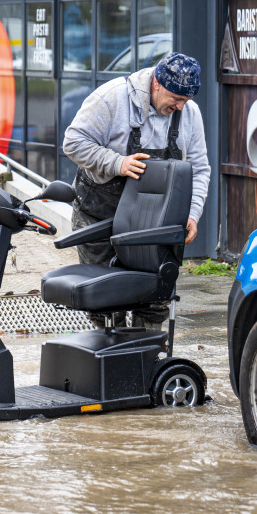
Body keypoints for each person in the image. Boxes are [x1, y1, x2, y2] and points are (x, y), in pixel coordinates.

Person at [63, 52, 210, 322]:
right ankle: (108, 357)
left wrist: (193, 212)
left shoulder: (189, 113)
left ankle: (146, 359)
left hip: (153, 223)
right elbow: (73, 142)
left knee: (153, 299)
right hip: (99, 214)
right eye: (176, 99)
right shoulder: (112, 98)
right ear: (156, 83)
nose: (180, 107)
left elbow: (199, 168)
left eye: (186, 100)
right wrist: (116, 162)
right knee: (104, 300)